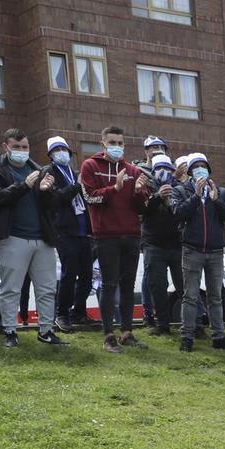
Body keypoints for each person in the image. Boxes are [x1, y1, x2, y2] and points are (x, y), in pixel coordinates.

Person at [0, 129, 66, 349]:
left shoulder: (39, 169)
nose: (21, 151)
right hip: (12, 238)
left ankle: (46, 331)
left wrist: (47, 191)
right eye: (16, 147)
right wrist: (24, 186)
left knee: (47, 288)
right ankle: (10, 331)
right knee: (11, 288)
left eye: (24, 147)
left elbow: (53, 206)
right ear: (5, 147)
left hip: (42, 239)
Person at [78, 126, 149, 352]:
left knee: (128, 285)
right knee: (109, 285)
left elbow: (142, 207)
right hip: (106, 235)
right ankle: (108, 335)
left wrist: (139, 191)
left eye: (120, 143)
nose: (117, 147)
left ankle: (127, 332)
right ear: (103, 143)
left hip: (131, 234)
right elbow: (90, 197)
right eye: (113, 142)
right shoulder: (90, 166)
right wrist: (115, 188)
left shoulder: (133, 170)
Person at [171, 153, 225, 352]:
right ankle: (187, 337)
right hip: (192, 250)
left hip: (215, 252)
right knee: (190, 296)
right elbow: (178, 214)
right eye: (196, 167)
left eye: (203, 166)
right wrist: (195, 197)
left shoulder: (221, 191)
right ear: (190, 172)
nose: (201, 169)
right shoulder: (180, 191)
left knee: (215, 296)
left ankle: (219, 336)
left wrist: (217, 201)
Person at [41, 137, 91, 333]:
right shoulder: (49, 172)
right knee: (69, 273)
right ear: (51, 155)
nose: (61, 152)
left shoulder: (76, 172)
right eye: (57, 149)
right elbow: (54, 200)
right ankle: (62, 313)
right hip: (63, 230)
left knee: (87, 275)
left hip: (82, 231)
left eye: (64, 149)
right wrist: (75, 187)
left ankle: (79, 312)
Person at [137, 154, 182, 336]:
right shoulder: (145, 188)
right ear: (153, 171)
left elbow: (182, 212)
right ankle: (162, 324)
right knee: (157, 285)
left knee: (183, 285)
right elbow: (141, 209)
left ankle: (193, 324)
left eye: (168, 169)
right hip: (153, 244)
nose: (164, 172)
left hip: (176, 244)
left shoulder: (178, 189)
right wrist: (157, 197)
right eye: (160, 169)